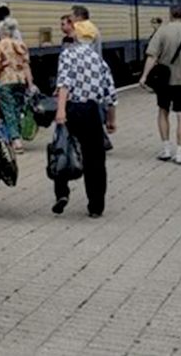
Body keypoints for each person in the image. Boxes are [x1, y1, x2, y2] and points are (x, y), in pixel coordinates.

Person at [52, 20, 117, 218]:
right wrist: (111, 120)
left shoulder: (68, 54)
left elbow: (64, 82)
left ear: (76, 35)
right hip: (92, 111)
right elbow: (110, 94)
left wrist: (61, 111)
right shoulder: (99, 60)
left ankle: (62, 193)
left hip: (72, 109)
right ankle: (96, 205)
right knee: (95, 159)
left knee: (62, 148)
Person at [138, 5, 181, 164]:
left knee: (163, 112)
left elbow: (152, 56)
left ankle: (166, 149)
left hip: (165, 81)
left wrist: (144, 76)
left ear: (170, 14)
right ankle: (180, 153)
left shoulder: (162, 32)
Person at [0, 24, 35, 152]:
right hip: (20, 81)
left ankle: (15, 140)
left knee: (8, 110)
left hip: (6, 81)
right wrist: (30, 84)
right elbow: (26, 66)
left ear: (1, 33)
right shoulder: (21, 44)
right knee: (17, 109)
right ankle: (16, 135)